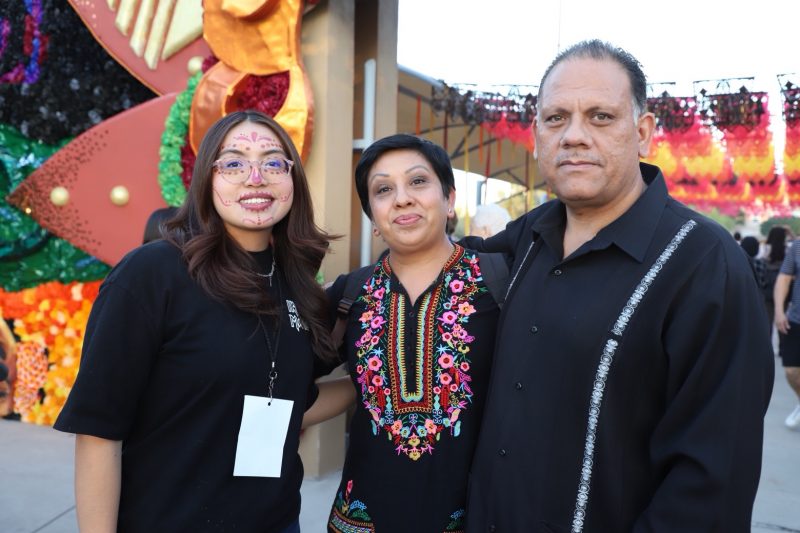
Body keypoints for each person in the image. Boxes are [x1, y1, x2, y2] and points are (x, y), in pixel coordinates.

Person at [461, 40, 773, 531]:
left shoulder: (704, 265)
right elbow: (429, 272)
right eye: (556, 118)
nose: (574, 136)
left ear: (643, 132)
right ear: (537, 136)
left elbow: (710, 485)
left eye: (601, 117)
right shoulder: (525, 240)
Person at [53, 110, 338, 532]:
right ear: (207, 177)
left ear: (292, 178)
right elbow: (99, 432)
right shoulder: (153, 274)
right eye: (234, 163)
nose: (255, 178)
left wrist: (373, 384)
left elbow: (292, 402)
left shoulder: (295, 285)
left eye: (273, 162)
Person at [316, 134, 503, 532]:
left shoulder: (500, 284)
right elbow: (282, 380)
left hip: (471, 517)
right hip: (360, 519)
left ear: (449, 200)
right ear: (373, 218)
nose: (402, 199)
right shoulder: (350, 294)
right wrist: (359, 385)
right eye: (383, 190)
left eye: (418, 181)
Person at [773, 237, 800, 430]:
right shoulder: (798, 246)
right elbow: (784, 277)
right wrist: (779, 311)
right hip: (796, 319)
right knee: (791, 371)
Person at [762, 225, 791, 339]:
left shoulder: (765, 248)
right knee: (782, 319)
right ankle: (782, 343)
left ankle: (767, 344)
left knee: (767, 322)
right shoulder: (788, 249)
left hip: (767, 289)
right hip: (783, 290)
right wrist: (790, 233)